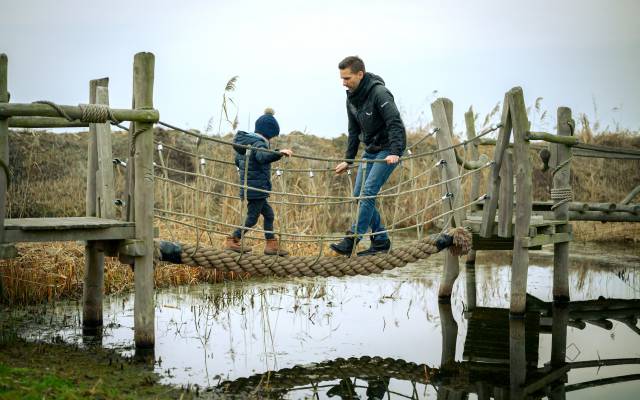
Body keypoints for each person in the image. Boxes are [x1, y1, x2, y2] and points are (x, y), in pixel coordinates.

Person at [331, 56, 406, 256]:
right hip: (370, 149)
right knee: (359, 195)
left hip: (388, 149)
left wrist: (395, 152)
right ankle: (381, 240)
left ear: (360, 74)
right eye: (342, 79)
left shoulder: (379, 93)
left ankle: (352, 239)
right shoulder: (351, 98)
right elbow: (353, 131)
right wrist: (348, 160)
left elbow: (395, 123)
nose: (343, 83)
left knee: (368, 192)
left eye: (347, 78)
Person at [225, 108, 293, 256]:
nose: (271, 140)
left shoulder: (245, 144)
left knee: (269, 215)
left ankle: (271, 245)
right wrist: (279, 153)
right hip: (256, 189)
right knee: (252, 219)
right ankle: (233, 239)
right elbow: (262, 157)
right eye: (271, 137)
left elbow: (238, 161)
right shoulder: (259, 144)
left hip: (251, 188)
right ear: (268, 134)